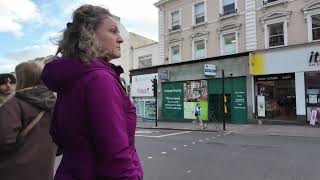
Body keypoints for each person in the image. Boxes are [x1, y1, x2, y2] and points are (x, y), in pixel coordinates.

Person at [41, 5, 143, 180]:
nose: (120, 39)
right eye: (113, 31)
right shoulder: (99, 79)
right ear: (89, 34)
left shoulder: (73, 78)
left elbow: (57, 134)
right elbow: (115, 153)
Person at [0, 62, 57, 180]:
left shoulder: (13, 104)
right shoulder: (55, 102)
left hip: (14, 170)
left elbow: (4, 140)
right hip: (45, 168)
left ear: (21, 78)